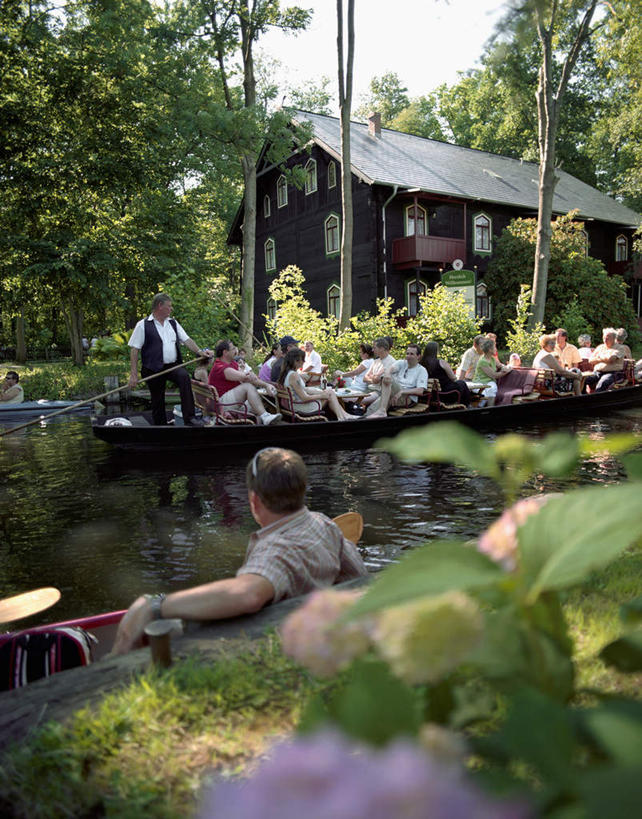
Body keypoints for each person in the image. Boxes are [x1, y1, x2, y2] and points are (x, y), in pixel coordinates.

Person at [112, 447, 368, 654]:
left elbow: (248, 594)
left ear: (254, 501)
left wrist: (156, 606)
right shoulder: (324, 524)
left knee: (175, 632)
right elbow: (357, 576)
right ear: (301, 490)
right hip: (316, 633)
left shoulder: (275, 549)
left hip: (279, 649)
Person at [128, 294, 212, 427]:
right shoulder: (143, 325)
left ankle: (190, 418)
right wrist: (133, 374)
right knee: (157, 398)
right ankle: (160, 426)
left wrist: (200, 352)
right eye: (169, 306)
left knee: (184, 377)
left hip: (172, 366)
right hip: (152, 368)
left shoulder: (173, 323)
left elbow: (187, 340)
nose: (171, 309)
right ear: (160, 306)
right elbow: (134, 350)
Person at [209, 340, 282, 425]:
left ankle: (264, 419)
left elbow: (247, 376)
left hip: (230, 401)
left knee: (259, 404)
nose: (236, 350)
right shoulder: (221, 367)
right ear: (225, 352)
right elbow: (245, 377)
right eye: (233, 348)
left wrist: (266, 385)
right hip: (221, 405)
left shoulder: (232, 363)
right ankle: (265, 416)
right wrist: (249, 375)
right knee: (247, 387)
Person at [279, 349, 355, 421]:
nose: (304, 361)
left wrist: (319, 392)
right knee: (330, 394)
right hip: (302, 407)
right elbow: (304, 397)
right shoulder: (293, 375)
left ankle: (344, 416)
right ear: (296, 361)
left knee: (329, 391)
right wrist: (321, 396)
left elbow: (303, 390)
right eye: (303, 359)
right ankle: (342, 417)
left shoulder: (289, 373)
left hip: (296, 404)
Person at [366, 344, 429, 418]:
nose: (408, 356)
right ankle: (363, 418)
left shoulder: (422, 370)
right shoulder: (401, 363)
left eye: (412, 354)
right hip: (394, 395)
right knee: (375, 406)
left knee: (388, 380)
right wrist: (388, 373)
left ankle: (382, 411)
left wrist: (401, 392)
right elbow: (390, 369)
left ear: (418, 356)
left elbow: (420, 391)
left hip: (408, 399)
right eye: (407, 353)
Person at [420, 342, 471, 406]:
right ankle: (466, 405)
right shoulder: (441, 362)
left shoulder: (421, 363)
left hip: (431, 394)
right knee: (462, 383)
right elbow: (453, 378)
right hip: (445, 393)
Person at [585, 328, 626, 392]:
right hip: (597, 372)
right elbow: (590, 360)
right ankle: (582, 397)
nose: (605, 340)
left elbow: (611, 359)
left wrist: (598, 357)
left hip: (612, 373)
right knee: (584, 380)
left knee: (602, 383)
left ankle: (596, 400)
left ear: (614, 339)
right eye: (604, 338)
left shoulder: (620, 348)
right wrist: (605, 358)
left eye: (607, 338)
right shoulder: (600, 347)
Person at [362, 338, 397, 414]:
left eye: (374, 348)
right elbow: (364, 378)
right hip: (369, 389)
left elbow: (378, 379)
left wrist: (373, 377)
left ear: (381, 349)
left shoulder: (391, 362)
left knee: (358, 400)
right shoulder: (377, 361)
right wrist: (373, 378)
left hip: (379, 392)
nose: (372, 350)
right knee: (350, 398)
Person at [474, 337, 511, 406]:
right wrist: (506, 371)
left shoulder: (492, 358)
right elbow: (494, 375)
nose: (496, 349)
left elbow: (500, 365)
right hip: (480, 383)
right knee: (491, 389)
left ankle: (488, 409)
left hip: (488, 383)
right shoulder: (483, 361)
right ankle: (484, 408)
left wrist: (504, 367)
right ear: (490, 350)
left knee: (492, 388)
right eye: (495, 348)